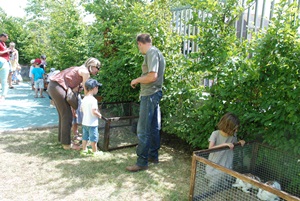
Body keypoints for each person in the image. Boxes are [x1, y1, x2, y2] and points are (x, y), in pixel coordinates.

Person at [126, 33, 165, 172]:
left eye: (138, 46)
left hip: (149, 94)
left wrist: (136, 80)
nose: (139, 49)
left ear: (140, 43)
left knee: (142, 130)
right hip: (154, 94)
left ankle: (142, 162)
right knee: (154, 127)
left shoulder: (151, 52)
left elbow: (152, 76)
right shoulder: (156, 52)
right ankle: (153, 156)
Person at [47, 57, 101, 150]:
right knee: (67, 116)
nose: (98, 71)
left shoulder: (79, 69)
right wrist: (90, 103)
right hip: (58, 87)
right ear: (92, 65)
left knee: (63, 115)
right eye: (98, 67)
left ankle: (62, 140)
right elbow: (86, 91)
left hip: (53, 86)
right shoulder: (86, 72)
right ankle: (67, 145)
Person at [205, 112, 245, 188]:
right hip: (216, 159)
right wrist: (225, 144)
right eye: (234, 128)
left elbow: (233, 144)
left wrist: (239, 142)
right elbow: (210, 148)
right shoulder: (215, 134)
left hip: (227, 158)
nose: (236, 130)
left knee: (225, 172)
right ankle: (211, 184)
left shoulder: (233, 134)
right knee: (214, 175)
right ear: (227, 126)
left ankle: (223, 185)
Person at [80, 79, 102, 155]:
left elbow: (82, 110)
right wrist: (99, 115)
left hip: (85, 123)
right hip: (92, 123)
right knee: (94, 139)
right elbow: (94, 111)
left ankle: (84, 150)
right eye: (97, 88)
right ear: (94, 88)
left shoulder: (84, 98)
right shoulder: (93, 100)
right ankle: (95, 152)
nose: (97, 89)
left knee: (85, 137)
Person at [0, 33, 11, 101]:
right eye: (6, 38)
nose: (7, 39)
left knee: (4, 80)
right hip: (1, 61)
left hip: (5, 62)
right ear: (2, 37)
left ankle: (3, 95)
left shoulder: (3, 43)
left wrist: (8, 52)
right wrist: (7, 50)